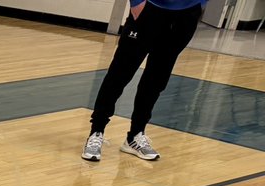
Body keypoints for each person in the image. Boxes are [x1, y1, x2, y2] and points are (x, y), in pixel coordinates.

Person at [81, 0, 207, 162]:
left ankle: (135, 135)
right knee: (120, 74)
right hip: (150, 9)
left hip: (187, 14)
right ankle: (96, 131)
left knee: (157, 77)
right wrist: (137, 3)